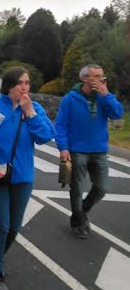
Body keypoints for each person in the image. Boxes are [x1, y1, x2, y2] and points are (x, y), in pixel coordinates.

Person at [0, 67, 55, 290]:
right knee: (1, 225)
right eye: (20, 83)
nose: (25, 87)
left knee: (13, 227)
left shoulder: (34, 108)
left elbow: (44, 137)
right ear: (9, 85)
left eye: (27, 83)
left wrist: (30, 113)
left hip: (22, 177)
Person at [54, 64, 123, 239]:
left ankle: (80, 212)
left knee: (102, 187)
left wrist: (106, 95)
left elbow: (117, 114)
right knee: (77, 188)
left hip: (99, 150)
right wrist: (63, 148)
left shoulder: (104, 97)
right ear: (85, 78)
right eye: (97, 76)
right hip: (77, 150)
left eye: (103, 76)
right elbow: (60, 125)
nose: (102, 80)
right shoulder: (70, 99)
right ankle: (78, 222)